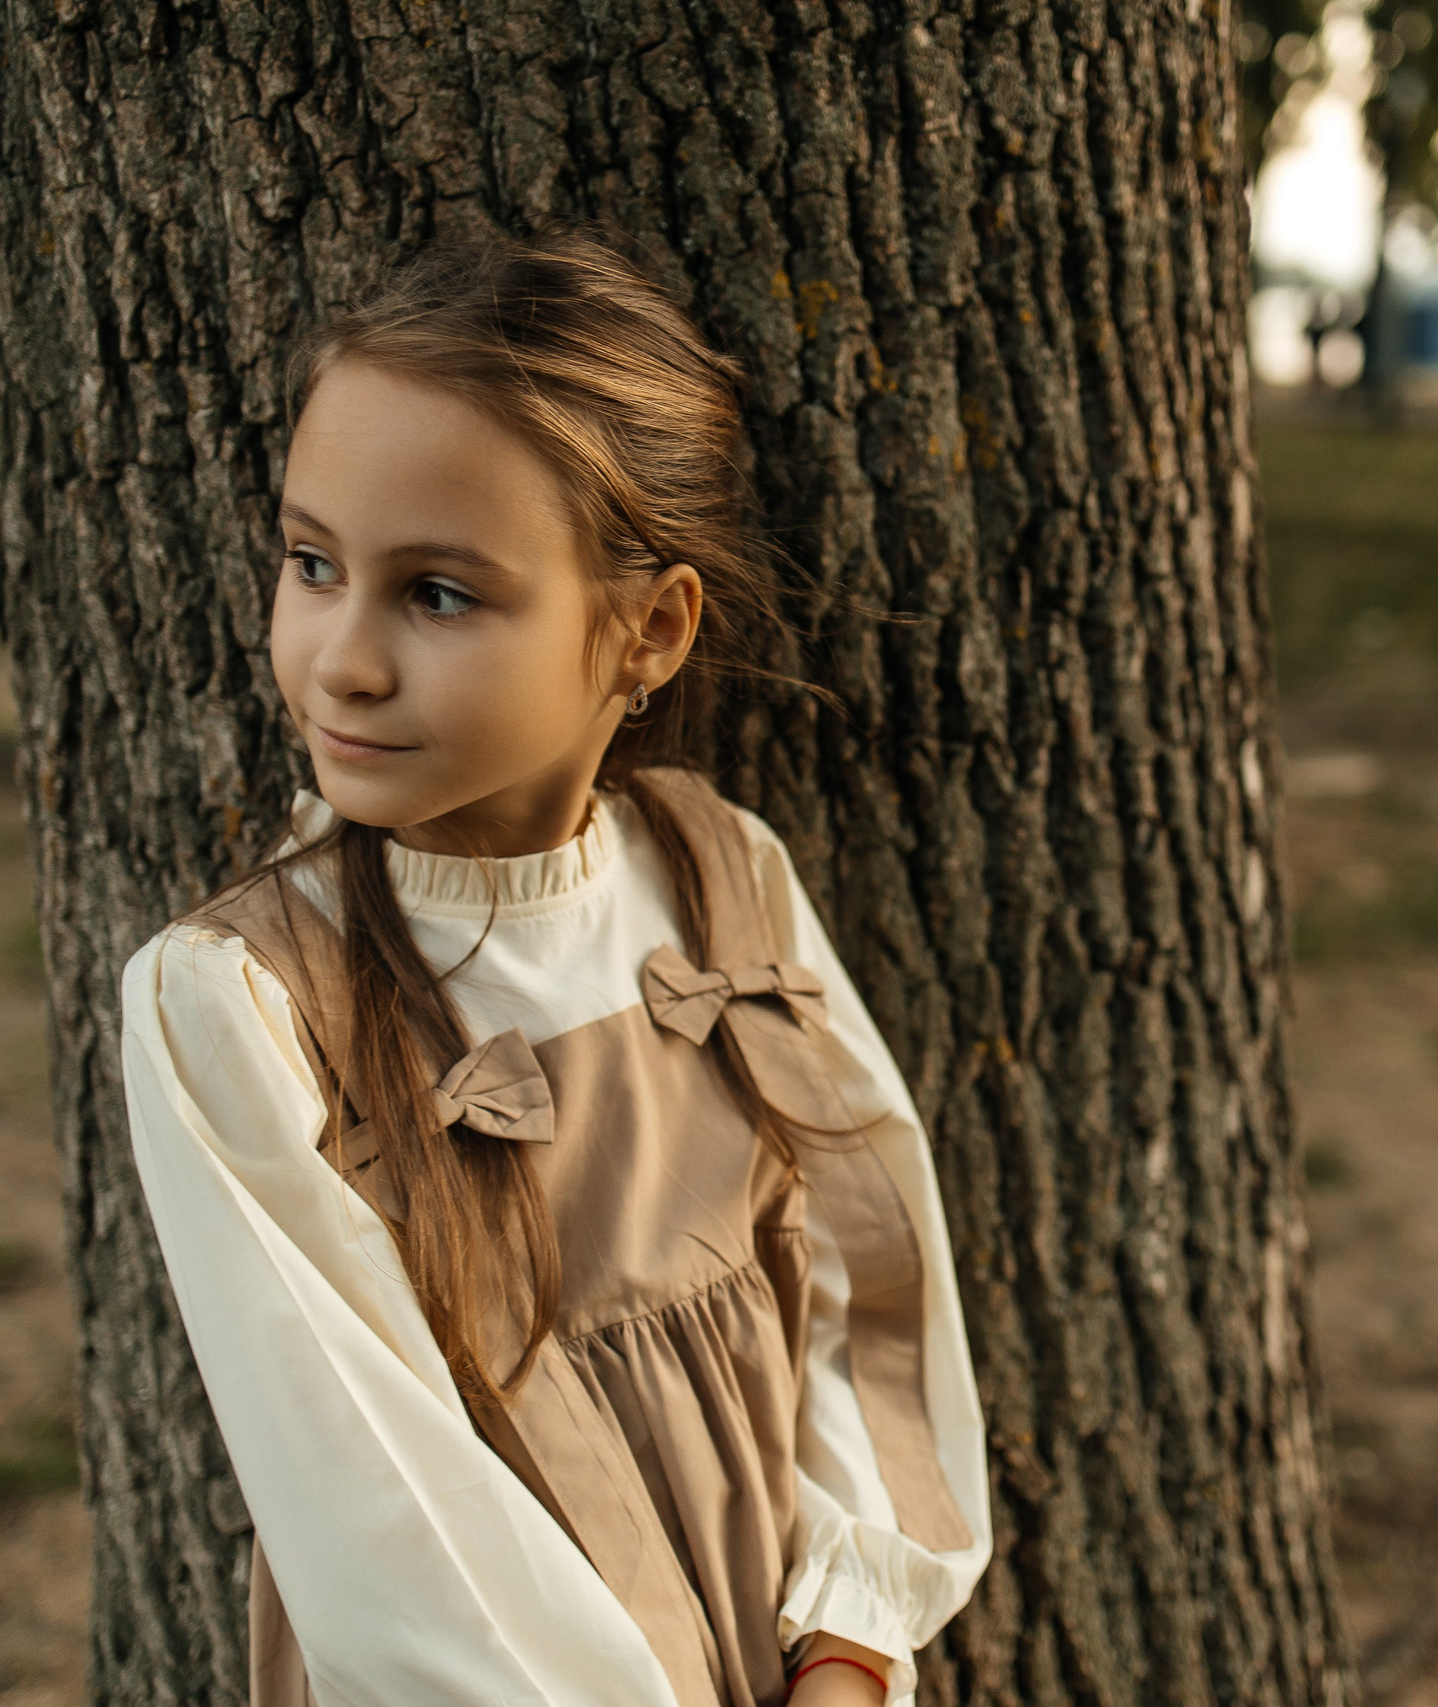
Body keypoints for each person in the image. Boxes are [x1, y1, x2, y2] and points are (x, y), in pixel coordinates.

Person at [118, 230, 989, 1707]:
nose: (341, 658)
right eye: (312, 564)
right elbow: (381, 1516)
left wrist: (847, 1645)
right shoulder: (242, 1007)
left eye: (438, 594)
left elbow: (865, 1281)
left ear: (646, 629)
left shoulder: (723, 882)